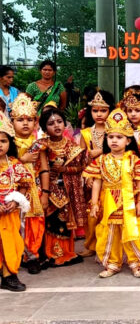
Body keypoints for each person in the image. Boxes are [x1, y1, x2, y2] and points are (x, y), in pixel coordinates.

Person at [84, 109, 140, 278]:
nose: (114, 140)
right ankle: (113, 263)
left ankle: (135, 263)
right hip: (108, 203)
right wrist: (94, 204)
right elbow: (97, 182)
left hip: (129, 202)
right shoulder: (101, 160)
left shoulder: (134, 160)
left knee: (132, 232)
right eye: (111, 137)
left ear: (128, 141)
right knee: (110, 233)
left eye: (119, 137)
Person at [39, 108, 85, 267]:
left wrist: (65, 169)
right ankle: (48, 252)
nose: (56, 125)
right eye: (51, 123)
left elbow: (81, 167)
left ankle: (64, 252)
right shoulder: (41, 146)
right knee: (48, 222)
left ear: (65, 124)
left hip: (65, 190)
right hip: (45, 190)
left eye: (59, 122)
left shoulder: (72, 146)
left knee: (64, 222)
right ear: (44, 128)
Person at [11, 94, 46, 274]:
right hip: (12, 190)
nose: (25, 123)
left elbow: (44, 169)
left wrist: (46, 192)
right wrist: (21, 159)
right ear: (12, 122)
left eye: (29, 120)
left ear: (35, 122)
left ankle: (32, 256)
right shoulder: (7, 142)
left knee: (33, 223)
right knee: (14, 222)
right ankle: (13, 256)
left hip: (34, 189)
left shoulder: (38, 143)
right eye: (20, 120)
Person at [0, 112, 35, 292]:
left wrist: (15, 200)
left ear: (10, 143)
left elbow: (25, 184)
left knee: (11, 243)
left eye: (3, 141)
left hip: (9, 213)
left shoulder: (14, 164)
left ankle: (9, 275)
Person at [79, 90, 115, 257]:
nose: (99, 114)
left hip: (112, 176)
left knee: (110, 211)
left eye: (103, 110)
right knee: (92, 212)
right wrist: (87, 175)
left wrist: (100, 151)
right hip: (93, 177)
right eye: (95, 110)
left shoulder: (115, 131)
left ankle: (109, 245)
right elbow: (81, 157)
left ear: (110, 111)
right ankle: (91, 244)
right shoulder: (86, 133)